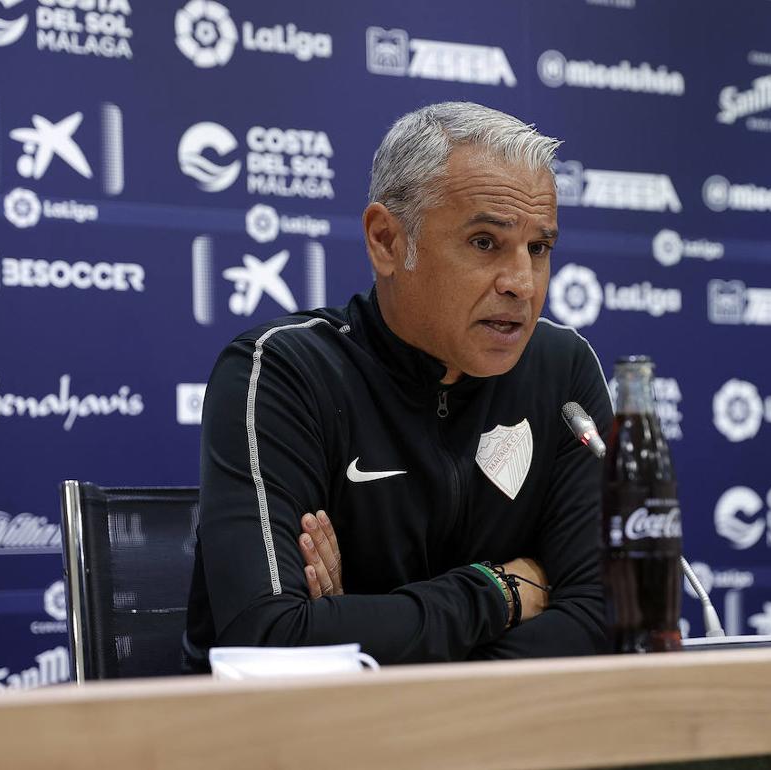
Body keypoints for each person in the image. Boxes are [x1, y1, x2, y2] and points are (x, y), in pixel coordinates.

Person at [182, 102, 612, 669]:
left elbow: (606, 622)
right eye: (485, 242)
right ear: (387, 241)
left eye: (539, 248)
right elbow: (267, 641)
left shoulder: (563, 373)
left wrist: (360, 635)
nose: (521, 283)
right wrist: (498, 592)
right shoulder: (284, 372)